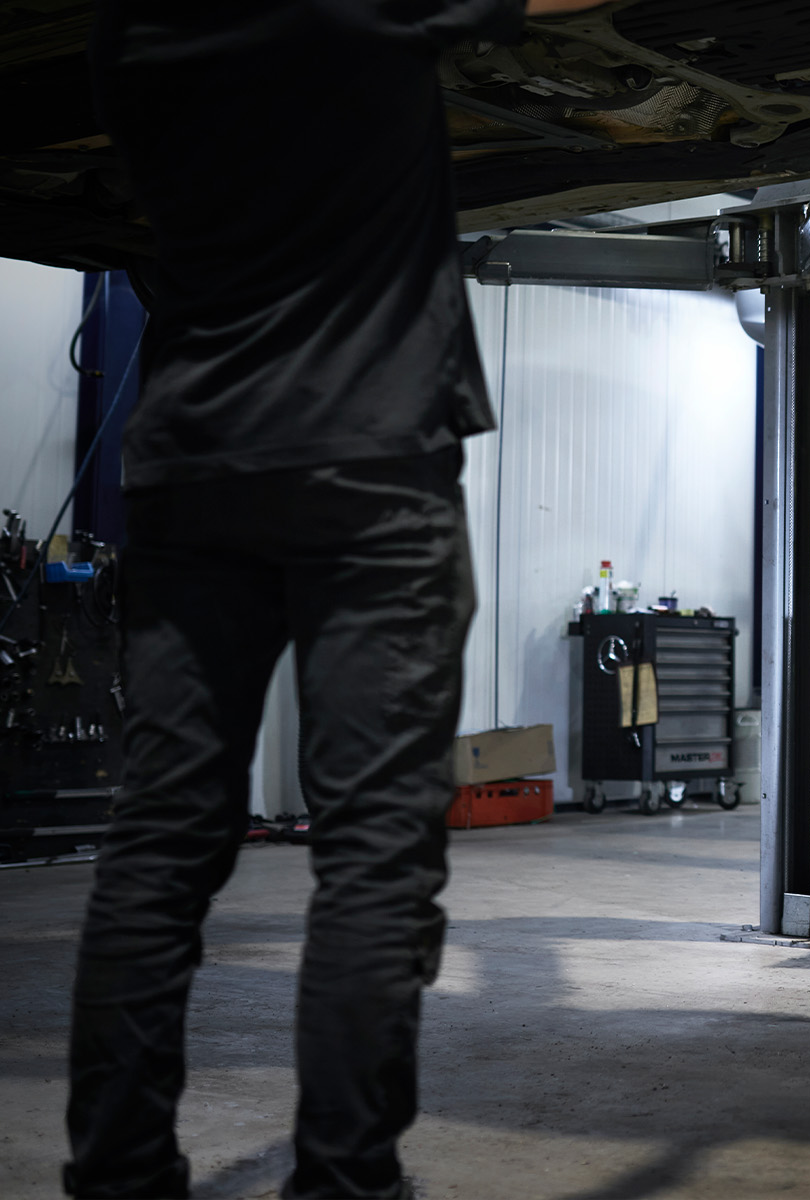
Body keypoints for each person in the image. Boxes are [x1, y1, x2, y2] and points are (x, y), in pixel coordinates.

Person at [67, 2, 599, 1196]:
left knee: (156, 847)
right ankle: (344, 1183)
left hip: (195, 462)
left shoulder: (129, 35)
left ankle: (116, 1177)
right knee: (371, 857)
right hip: (371, 468)